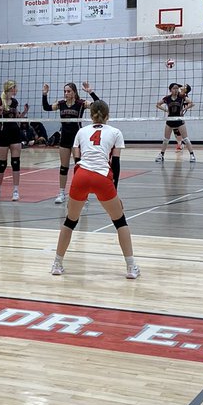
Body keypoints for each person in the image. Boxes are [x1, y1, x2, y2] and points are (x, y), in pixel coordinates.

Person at [50, 99, 139, 280]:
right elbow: (116, 164)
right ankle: (131, 267)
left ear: (90, 116)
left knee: (70, 221)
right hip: (102, 177)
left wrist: (79, 184)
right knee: (120, 221)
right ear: (107, 116)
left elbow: (77, 158)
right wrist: (115, 192)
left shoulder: (81, 131)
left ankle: (57, 264)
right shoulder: (115, 132)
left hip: (81, 175)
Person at [42, 80, 95, 204]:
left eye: (69, 91)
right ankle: (61, 193)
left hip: (78, 139)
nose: (66, 93)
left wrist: (90, 92)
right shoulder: (61, 104)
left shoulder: (81, 103)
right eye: (65, 91)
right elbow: (46, 107)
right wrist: (44, 94)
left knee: (80, 167)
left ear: (74, 92)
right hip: (64, 139)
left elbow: (99, 105)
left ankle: (83, 194)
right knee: (63, 167)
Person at [0, 80, 28, 201]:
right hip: (3, 133)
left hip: (15, 133)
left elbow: (17, 117)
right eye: (15, 88)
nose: (16, 90)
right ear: (10, 89)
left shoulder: (15, 102)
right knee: (2, 164)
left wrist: (24, 112)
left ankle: (16, 191)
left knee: (15, 163)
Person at [155, 83, 195, 162]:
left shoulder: (182, 97)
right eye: (174, 88)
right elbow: (158, 104)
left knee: (186, 139)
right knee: (166, 139)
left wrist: (183, 109)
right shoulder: (167, 98)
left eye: (177, 88)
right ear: (170, 90)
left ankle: (192, 155)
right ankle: (161, 155)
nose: (176, 90)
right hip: (170, 120)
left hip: (179, 120)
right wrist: (166, 110)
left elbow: (192, 103)